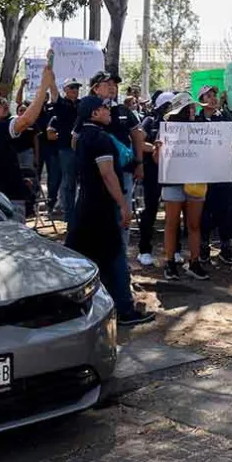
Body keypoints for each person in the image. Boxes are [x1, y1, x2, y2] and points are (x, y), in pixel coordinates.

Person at [64, 95, 155, 326]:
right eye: (104, 108)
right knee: (115, 257)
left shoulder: (83, 136)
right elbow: (107, 173)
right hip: (102, 207)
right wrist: (124, 204)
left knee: (80, 257)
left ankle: (74, 308)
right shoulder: (101, 138)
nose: (109, 111)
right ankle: (125, 309)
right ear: (94, 113)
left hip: (84, 206)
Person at [0, 60, 54, 211]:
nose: (4, 103)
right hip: (5, 204)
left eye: (3, 99)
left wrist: (20, 181)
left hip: (2, 201)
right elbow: (26, 120)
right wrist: (44, 86)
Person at [86, 71, 145, 251]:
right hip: (97, 176)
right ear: (95, 88)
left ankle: (121, 258)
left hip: (124, 173)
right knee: (99, 216)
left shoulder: (123, 110)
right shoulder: (86, 110)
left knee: (123, 215)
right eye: (107, 83)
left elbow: (137, 136)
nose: (113, 87)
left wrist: (140, 163)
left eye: (115, 84)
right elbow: (75, 141)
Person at [154, 93, 210, 281]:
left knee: (194, 224)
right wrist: (158, 150)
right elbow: (157, 160)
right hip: (173, 181)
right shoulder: (166, 130)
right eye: (189, 108)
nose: (193, 111)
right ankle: (169, 262)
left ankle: (194, 262)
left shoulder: (202, 129)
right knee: (172, 224)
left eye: (194, 107)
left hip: (195, 182)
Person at [195, 85, 232, 264]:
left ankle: (225, 247)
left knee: (223, 210)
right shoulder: (195, 121)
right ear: (200, 100)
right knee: (204, 212)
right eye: (208, 95)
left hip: (222, 172)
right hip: (202, 174)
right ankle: (203, 246)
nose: (212, 98)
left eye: (214, 95)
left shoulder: (225, 117)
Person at [137, 91, 175, 267]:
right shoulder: (149, 121)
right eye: (168, 105)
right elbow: (139, 142)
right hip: (153, 172)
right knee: (151, 210)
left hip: (173, 173)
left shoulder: (179, 123)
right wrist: (154, 147)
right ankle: (144, 250)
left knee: (174, 212)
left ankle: (175, 249)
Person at [45, 78, 81, 223]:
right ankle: (69, 215)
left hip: (82, 148)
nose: (75, 90)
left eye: (77, 88)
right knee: (68, 182)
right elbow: (54, 94)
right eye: (71, 87)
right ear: (65, 89)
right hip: (66, 149)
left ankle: (80, 213)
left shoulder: (82, 104)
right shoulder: (61, 104)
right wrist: (50, 79)